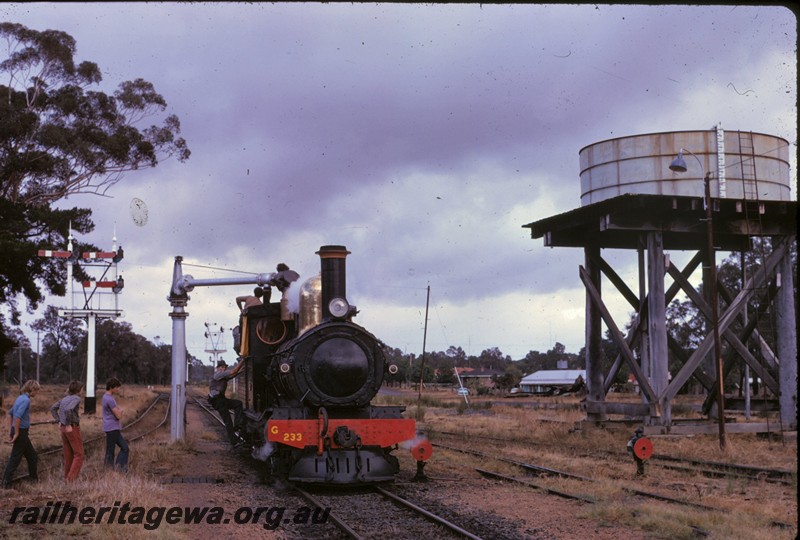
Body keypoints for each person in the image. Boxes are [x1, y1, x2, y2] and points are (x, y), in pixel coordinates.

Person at [2, 380, 41, 489]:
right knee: (15, 457)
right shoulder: (26, 400)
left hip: (20, 431)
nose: (37, 393)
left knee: (32, 456)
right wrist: (17, 432)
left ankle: (33, 479)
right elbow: (17, 416)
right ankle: (6, 483)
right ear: (32, 389)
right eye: (37, 390)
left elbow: (10, 414)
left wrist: (11, 430)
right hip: (22, 432)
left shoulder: (20, 398)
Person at [50, 380, 85, 482]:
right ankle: (71, 480)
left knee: (68, 454)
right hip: (72, 427)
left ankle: (67, 477)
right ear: (78, 390)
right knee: (79, 454)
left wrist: (59, 420)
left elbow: (53, 408)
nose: (83, 391)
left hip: (63, 429)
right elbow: (68, 410)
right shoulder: (76, 398)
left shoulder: (65, 399)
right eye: (82, 389)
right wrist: (69, 423)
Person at [208, 358, 246, 448]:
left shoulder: (223, 376)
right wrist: (242, 361)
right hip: (218, 401)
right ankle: (234, 442)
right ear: (218, 368)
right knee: (228, 421)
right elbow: (233, 371)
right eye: (222, 367)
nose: (223, 369)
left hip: (222, 399)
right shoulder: (218, 374)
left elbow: (234, 374)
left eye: (224, 367)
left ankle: (237, 425)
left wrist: (243, 370)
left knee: (238, 403)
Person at [102, 378, 129, 472]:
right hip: (112, 428)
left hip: (111, 428)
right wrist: (121, 412)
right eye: (117, 387)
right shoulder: (110, 399)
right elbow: (118, 416)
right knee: (112, 451)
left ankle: (116, 469)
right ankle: (115, 469)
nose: (118, 389)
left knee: (121, 448)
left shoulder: (105, 397)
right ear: (111, 387)